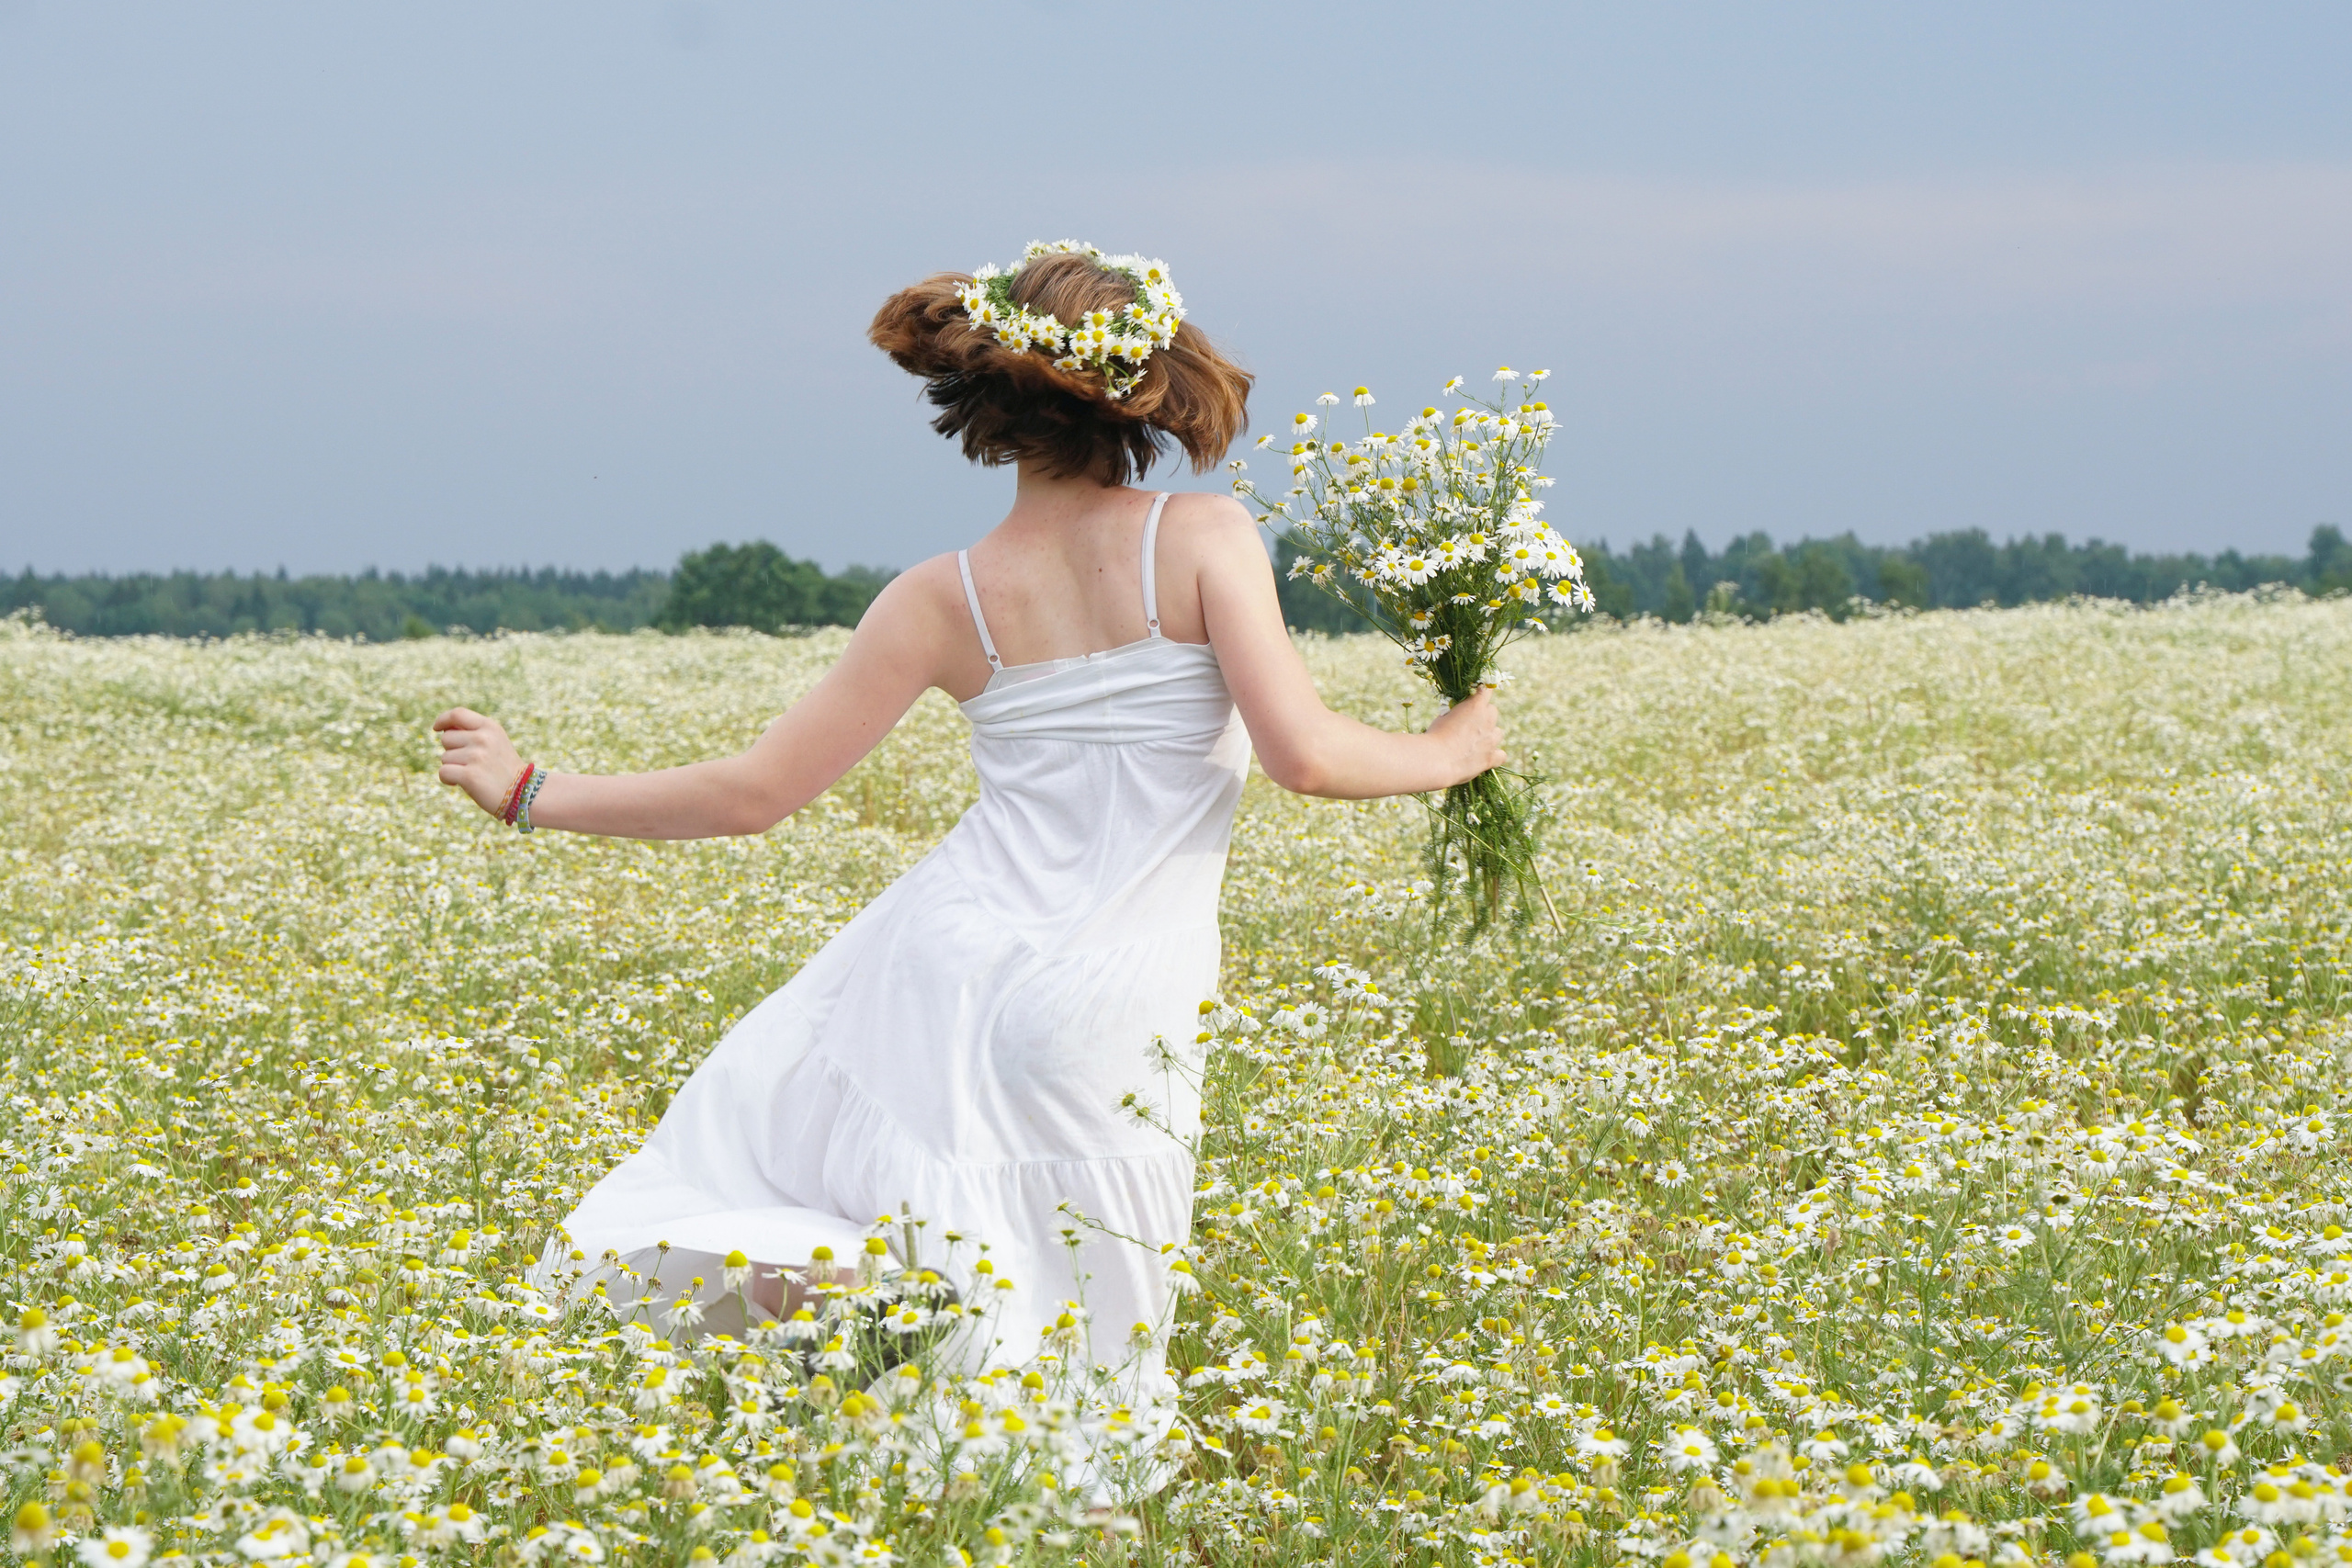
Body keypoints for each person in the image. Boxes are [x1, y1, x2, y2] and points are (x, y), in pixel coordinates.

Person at [432, 242, 1503, 1490]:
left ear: (992, 396)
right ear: (1148, 387)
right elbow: (1307, 758)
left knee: (917, 1250)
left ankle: (895, 1474)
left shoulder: (942, 597)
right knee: (1091, 1329)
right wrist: (1451, 750)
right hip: (1113, 993)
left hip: (943, 965)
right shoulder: (1205, 538)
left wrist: (526, 791)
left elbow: (752, 795)